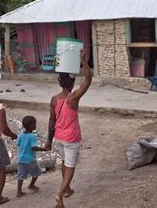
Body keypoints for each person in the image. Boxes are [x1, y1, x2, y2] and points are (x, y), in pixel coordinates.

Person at [45, 50, 92, 208]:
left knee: (65, 162)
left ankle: (66, 191)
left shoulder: (53, 99)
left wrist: (48, 141)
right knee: (70, 166)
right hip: (71, 138)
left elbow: (51, 122)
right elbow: (88, 79)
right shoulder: (73, 98)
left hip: (58, 137)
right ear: (71, 83)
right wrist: (83, 61)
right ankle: (59, 194)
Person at [16, 115, 49, 197]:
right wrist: (44, 149)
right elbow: (34, 148)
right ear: (31, 126)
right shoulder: (32, 136)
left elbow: (18, 144)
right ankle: (31, 185)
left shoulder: (21, 135)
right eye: (35, 124)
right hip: (30, 159)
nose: (35, 125)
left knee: (20, 175)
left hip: (20, 159)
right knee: (37, 172)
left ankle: (19, 191)